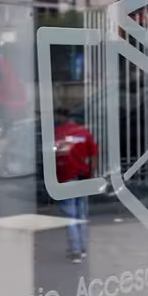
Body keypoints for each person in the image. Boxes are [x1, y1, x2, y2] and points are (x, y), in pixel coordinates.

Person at [53, 107, 97, 262]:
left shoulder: (58, 133)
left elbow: (55, 155)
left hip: (66, 176)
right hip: (82, 175)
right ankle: (82, 247)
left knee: (70, 215)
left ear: (61, 116)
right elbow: (93, 155)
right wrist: (91, 174)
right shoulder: (84, 132)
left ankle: (75, 251)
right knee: (81, 213)